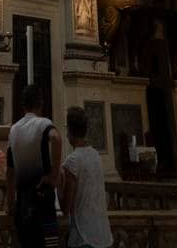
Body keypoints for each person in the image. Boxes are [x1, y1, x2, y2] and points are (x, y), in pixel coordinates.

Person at [6, 85, 61, 248]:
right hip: (42, 201)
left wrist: (10, 202)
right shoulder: (44, 124)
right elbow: (57, 139)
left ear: (23, 105)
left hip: (22, 204)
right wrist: (54, 176)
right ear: (40, 104)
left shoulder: (13, 130)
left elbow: (9, 171)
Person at [58, 106, 112, 248]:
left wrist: (58, 186)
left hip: (83, 236)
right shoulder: (95, 155)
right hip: (103, 234)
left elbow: (66, 208)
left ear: (69, 131)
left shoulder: (72, 161)